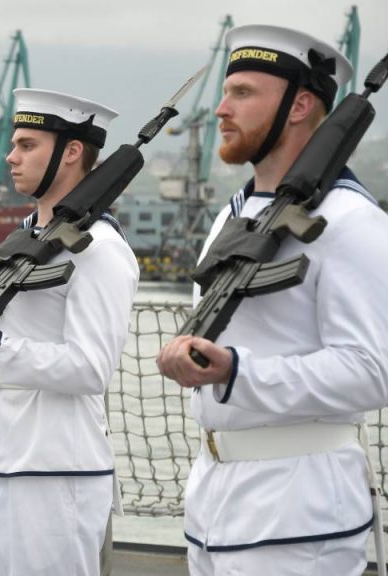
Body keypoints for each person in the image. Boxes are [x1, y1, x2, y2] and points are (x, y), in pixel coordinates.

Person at [156, 25, 388, 575]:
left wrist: (236, 371)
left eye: (242, 93)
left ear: (300, 105)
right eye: (225, 91)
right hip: (214, 502)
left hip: (299, 516)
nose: (220, 108)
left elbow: (373, 370)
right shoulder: (230, 217)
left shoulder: (352, 222)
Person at [0, 89, 137, 575]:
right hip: (2, 457)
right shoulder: (27, 242)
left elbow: (93, 367)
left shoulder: (100, 248)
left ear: (72, 152)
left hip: (56, 470)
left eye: (27, 145)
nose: (10, 156)